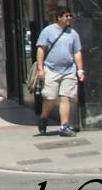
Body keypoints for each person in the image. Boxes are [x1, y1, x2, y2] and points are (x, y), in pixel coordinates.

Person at [35, 7, 85, 137]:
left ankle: (64, 126)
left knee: (65, 97)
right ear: (59, 17)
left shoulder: (73, 34)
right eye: (66, 16)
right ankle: (44, 117)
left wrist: (80, 69)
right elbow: (41, 49)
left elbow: (77, 52)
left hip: (69, 70)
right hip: (51, 69)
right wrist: (40, 69)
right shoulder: (48, 31)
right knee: (50, 97)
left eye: (70, 16)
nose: (69, 18)